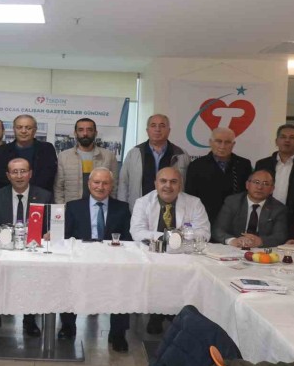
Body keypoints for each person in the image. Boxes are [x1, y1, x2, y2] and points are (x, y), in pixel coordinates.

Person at [129, 166, 210, 335]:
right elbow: (137, 232)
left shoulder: (194, 203)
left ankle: (178, 314)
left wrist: (175, 240)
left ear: (180, 185)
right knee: (155, 276)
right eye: (163, 181)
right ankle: (156, 314)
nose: (168, 186)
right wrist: (172, 237)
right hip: (153, 254)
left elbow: (204, 233)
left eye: (173, 182)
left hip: (184, 256)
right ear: (155, 184)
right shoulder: (143, 202)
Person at [61, 167, 132, 352]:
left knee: (124, 283)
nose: (100, 187)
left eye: (105, 183)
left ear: (112, 185)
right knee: (67, 278)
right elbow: (65, 237)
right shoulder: (73, 207)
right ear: (89, 184)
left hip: (112, 260)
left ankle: (118, 333)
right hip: (81, 259)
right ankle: (68, 326)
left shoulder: (122, 208)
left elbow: (128, 240)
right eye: (96, 182)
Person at [0, 158, 53, 336]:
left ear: (30, 174)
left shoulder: (44, 196)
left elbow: (51, 224)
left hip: (33, 250)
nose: (19, 176)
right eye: (14, 172)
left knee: (34, 275)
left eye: (23, 171)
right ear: (8, 175)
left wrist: (51, 232)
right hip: (5, 249)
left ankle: (30, 319)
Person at [118, 114, 191, 211]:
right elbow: (123, 183)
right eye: (153, 125)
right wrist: (123, 210)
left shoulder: (181, 155)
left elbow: (188, 185)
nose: (157, 129)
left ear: (169, 130)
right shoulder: (134, 153)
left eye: (162, 126)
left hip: (173, 211)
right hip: (140, 211)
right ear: (147, 130)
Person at [184, 127, 252, 224]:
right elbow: (190, 197)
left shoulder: (243, 165)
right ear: (210, 142)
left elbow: (247, 195)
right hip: (205, 219)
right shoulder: (196, 166)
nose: (222, 146)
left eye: (227, 142)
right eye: (218, 141)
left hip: (235, 221)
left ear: (233, 144)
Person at [212, 170, 289, 248]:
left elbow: (280, 236)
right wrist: (233, 240)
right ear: (247, 185)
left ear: (272, 189)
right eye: (256, 182)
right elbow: (218, 230)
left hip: (262, 251)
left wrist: (260, 241)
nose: (260, 187)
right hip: (234, 248)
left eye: (265, 184)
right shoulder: (233, 202)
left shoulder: (278, 208)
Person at [254, 124, 294, 217]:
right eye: (283, 137)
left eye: (292, 137)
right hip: (264, 216)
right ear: (276, 141)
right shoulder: (262, 165)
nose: (287, 140)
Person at [54, 118, 118, 204]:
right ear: (75, 133)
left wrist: (110, 207)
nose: (85, 133)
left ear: (95, 133)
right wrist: (62, 208)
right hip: (72, 207)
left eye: (89, 130)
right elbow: (58, 188)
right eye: (81, 130)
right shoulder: (64, 156)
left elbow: (114, 186)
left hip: (100, 207)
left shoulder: (108, 156)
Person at [0, 114, 58, 194]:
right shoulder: (1, 151)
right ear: (14, 129)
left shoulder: (47, 149)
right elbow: (0, 177)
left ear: (35, 130)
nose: (23, 131)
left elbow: (48, 176)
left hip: (40, 196)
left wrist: (29, 192)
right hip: (9, 196)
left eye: (28, 128)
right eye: (19, 127)